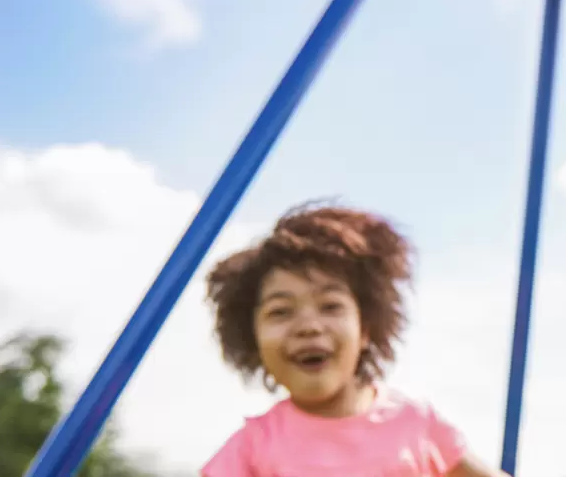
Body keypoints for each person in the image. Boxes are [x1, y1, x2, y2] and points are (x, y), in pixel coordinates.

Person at [201, 201, 506, 477]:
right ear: (252, 339)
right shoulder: (254, 449)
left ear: (366, 329)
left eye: (330, 306)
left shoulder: (415, 425)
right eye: (281, 311)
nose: (309, 326)